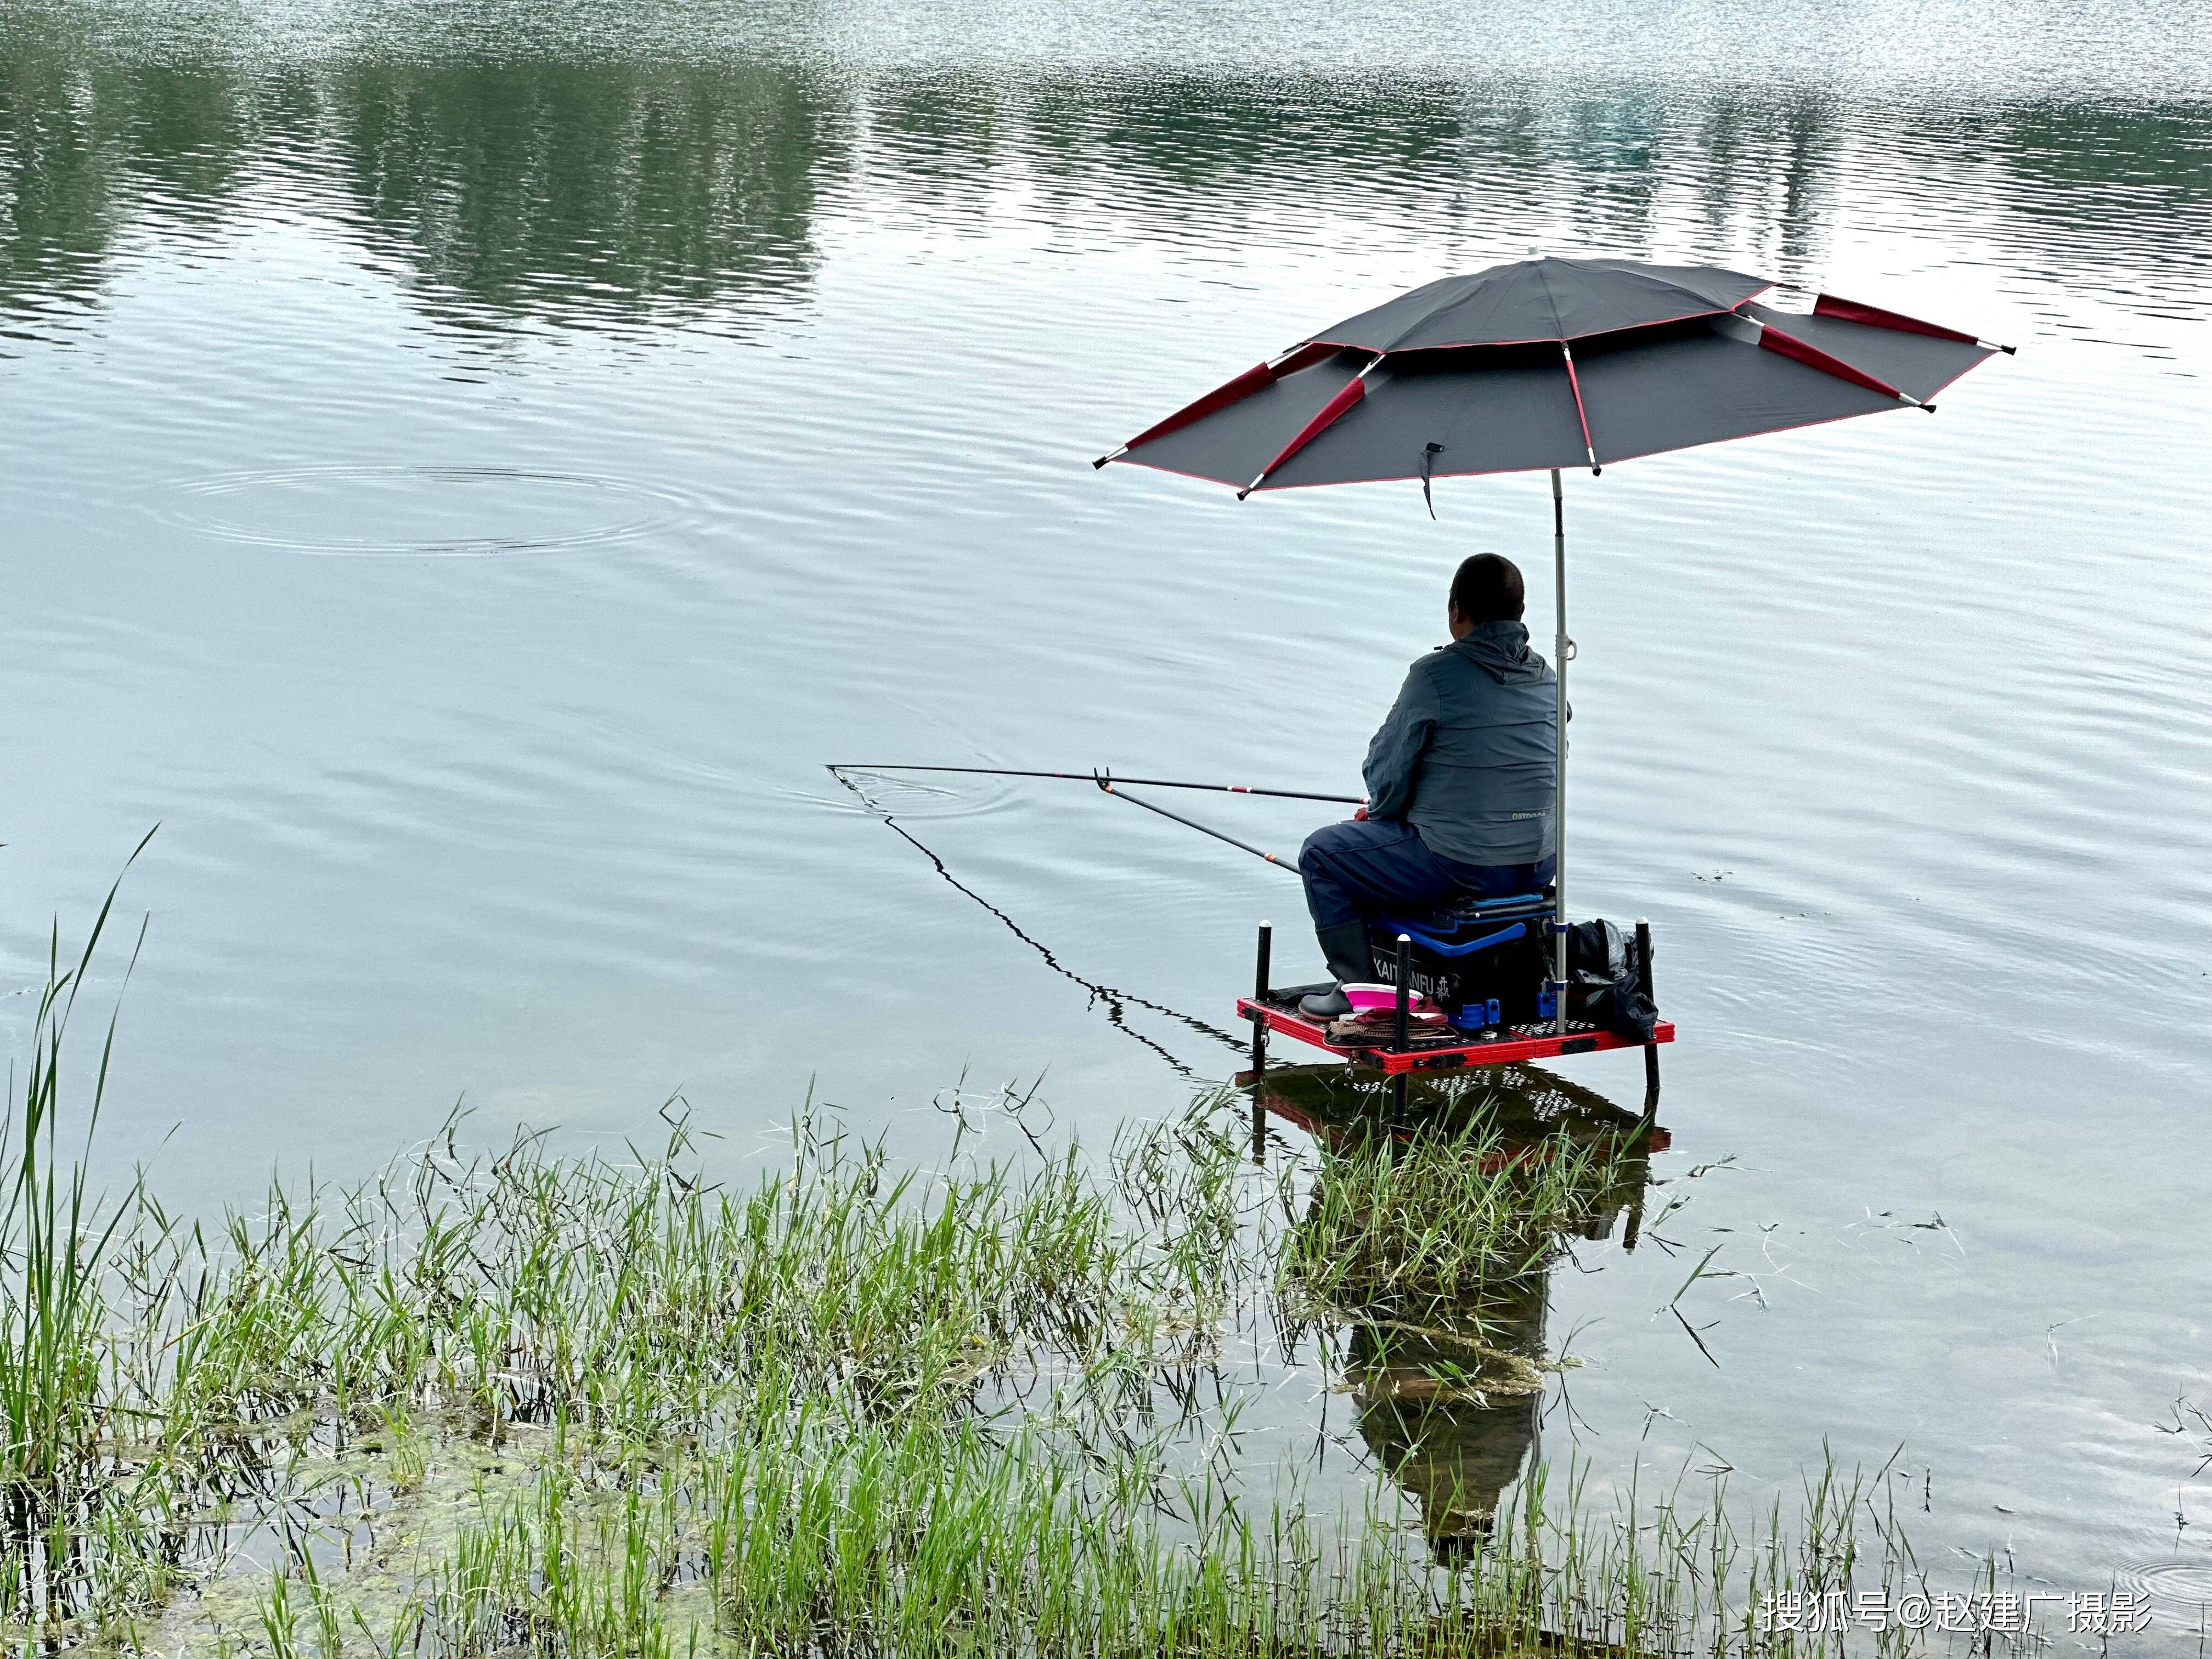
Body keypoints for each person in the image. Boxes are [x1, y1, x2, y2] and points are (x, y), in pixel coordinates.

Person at [1296, 552, 1559, 1018]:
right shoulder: (1552, 681)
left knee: (1322, 853)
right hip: (1538, 865)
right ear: (1520, 613)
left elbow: (1387, 773)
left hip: (1460, 862)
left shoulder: (1435, 677)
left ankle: (1361, 988)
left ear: (1456, 610)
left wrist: (1381, 817)